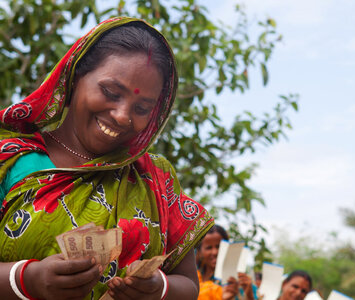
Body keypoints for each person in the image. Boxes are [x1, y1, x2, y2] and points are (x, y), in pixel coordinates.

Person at [0, 17, 214, 300]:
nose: (123, 115)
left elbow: (188, 284)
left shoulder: (154, 178)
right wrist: (26, 279)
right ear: (75, 76)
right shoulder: (11, 160)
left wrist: (157, 289)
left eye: (142, 107)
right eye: (111, 93)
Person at [196, 225, 257, 300]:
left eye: (219, 246)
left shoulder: (240, 280)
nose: (215, 252)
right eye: (209, 248)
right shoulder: (193, 278)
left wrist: (249, 295)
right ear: (200, 252)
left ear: (227, 247)